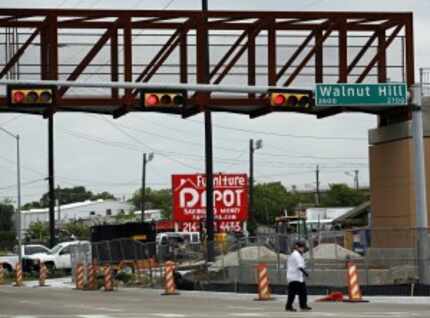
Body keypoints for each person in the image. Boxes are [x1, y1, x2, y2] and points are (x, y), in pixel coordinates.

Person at [285, 240, 312, 312]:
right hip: (294, 277)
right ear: (297, 247)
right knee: (292, 293)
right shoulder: (296, 254)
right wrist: (306, 274)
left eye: (303, 247)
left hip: (298, 277)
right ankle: (288, 306)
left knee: (303, 292)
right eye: (301, 247)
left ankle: (303, 306)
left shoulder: (299, 254)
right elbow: (300, 267)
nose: (302, 248)